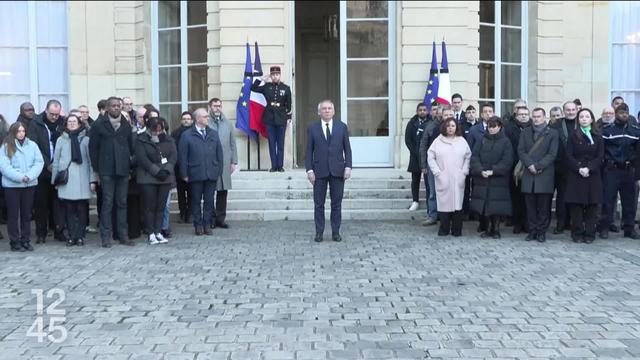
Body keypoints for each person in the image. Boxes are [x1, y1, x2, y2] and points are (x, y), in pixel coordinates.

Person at [89, 96, 135, 248]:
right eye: (113, 106)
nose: (116, 108)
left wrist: (129, 167)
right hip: (106, 169)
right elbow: (93, 149)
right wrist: (97, 171)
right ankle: (106, 236)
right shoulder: (98, 125)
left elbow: (131, 147)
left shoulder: (126, 125)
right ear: (107, 108)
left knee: (122, 202)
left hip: (122, 169)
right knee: (107, 203)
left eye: (118, 106)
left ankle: (123, 235)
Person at [305, 100, 352, 242]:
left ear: (334, 111)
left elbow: (347, 149)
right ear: (319, 112)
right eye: (324, 109)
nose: (327, 111)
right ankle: (319, 232)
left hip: (338, 171)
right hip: (319, 171)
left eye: (329, 108)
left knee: (336, 204)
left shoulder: (342, 127)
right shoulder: (312, 128)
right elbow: (309, 151)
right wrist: (309, 170)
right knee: (319, 204)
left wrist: (348, 167)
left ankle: (335, 232)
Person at [51, 115, 95, 247]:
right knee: (69, 210)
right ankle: (71, 236)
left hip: (83, 179)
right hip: (67, 180)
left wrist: (92, 180)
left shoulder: (86, 140)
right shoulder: (61, 140)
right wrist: (55, 181)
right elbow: (56, 162)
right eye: (69, 122)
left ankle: (80, 236)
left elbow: (91, 162)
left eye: (74, 122)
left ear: (79, 124)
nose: (71, 124)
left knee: (81, 209)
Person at [0, 122, 44, 251]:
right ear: (13, 132)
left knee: (27, 214)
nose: (21, 133)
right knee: (13, 215)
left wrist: (29, 176)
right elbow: (4, 167)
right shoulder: (6, 146)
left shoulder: (32, 145)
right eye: (18, 131)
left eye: (23, 131)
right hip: (12, 186)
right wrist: (20, 177)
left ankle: (25, 240)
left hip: (29, 184)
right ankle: (14, 241)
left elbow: (38, 162)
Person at [179, 108, 223, 235]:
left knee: (209, 201)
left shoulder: (213, 134)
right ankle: (198, 225)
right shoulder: (187, 135)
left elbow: (219, 153)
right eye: (205, 117)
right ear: (198, 119)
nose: (207, 119)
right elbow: (183, 156)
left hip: (211, 173)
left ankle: (207, 224)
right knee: (196, 201)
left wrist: (218, 170)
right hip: (195, 173)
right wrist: (184, 174)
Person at [518, 108, 559, 243]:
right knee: (529, 205)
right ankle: (532, 230)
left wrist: (539, 166)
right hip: (529, 173)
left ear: (544, 117)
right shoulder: (525, 132)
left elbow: (552, 154)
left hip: (545, 173)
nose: (536, 119)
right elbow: (521, 151)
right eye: (534, 116)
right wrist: (530, 165)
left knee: (543, 206)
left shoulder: (552, 133)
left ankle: (541, 231)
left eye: (538, 116)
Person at [599, 103, 640, 239]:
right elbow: (601, 151)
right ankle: (604, 227)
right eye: (621, 112)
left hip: (628, 170)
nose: (624, 115)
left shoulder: (635, 131)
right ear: (616, 114)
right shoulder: (607, 130)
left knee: (629, 201)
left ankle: (629, 228)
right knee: (608, 200)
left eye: (626, 113)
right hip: (611, 169)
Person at [28, 99, 66, 244]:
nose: (55, 117)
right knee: (41, 203)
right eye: (52, 114)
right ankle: (41, 233)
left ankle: (59, 230)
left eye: (57, 114)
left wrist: (57, 164)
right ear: (46, 111)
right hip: (42, 169)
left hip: (59, 169)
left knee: (58, 203)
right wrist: (47, 163)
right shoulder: (35, 123)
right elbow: (34, 145)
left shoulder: (63, 122)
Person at [469, 117, 513, 238]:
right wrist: (480, 170)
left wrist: (494, 171)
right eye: (490, 126)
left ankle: (496, 229)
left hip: (498, 179)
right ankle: (487, 229)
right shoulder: (481, 139)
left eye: (494, 126)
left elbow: (507, 160)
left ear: (499, 127)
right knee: (485, 205)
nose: (492, 129)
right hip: (482, 178)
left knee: (496, 206)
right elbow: (474, 157)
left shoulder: (505, 142)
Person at [135, 117, 177, 245]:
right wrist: (156, 171)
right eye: (155, 130)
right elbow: (142, 159)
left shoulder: (168, 139)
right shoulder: (141, 139)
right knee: (149, 207)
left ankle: (158, 231)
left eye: (160, 130)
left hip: (165, 177)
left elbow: (173, 156)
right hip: (148, 177)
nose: (157, 133)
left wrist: (167, 170)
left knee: (161, 206)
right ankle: (151, 233)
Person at [565, 108, 604, 243]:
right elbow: (568, 155)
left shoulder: (598, 136)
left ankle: (589, 234)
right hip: (576, 174)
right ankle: (577, 233)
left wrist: (589, 168)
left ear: (592, 119)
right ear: (578, 120)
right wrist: (579, 168)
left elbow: (600, 156)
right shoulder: (572, 135)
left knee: (592, 207)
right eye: (581, 117)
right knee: (576, 206)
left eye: (587, 117)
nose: (584, 119)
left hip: (592, 175)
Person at [427, 118, 471, 237]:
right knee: (444, 204)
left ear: (456, 127)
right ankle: (444, 229)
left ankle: (457, 230)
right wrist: (437, 172)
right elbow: (430, 157)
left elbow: (468, 156)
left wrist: (464, 171)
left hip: (458, 177)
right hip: (443, 177)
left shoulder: (462, 141)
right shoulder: (438, 141)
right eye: (448, 126)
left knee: (458, 203)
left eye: (452, 125)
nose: (450, 128)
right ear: (444, 127)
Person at [251, 65, 292, 172]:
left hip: (281, 118)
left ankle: (280, 166)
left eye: (277, 74)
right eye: (273, 75)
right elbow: (253, 88)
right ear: (271, 76)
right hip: (269, 118)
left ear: (280, 75)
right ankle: (274, 166)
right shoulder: (266, 86)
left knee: (281, 143)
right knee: (272, 143)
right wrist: (260, 79)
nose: (275, 77)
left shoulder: (286, 88)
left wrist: (288, 119)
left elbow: (289, 105)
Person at [207, 98, 238, 229]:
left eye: (219, 106)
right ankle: (211, 218)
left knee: (223, 191)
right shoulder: (206, 122)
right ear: (210, 107)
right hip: (211, 162)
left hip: (225, 162)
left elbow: (233, 143)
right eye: (215, 106)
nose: (217, 108)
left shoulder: (227, 123)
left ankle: (221, 218)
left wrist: (234, 161)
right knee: (210, 191)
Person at [549, 100, 578, 235]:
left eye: (573, 110)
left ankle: (574, 223)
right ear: (563, 111)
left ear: (576, 110)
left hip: (578, 168)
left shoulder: (583, 124)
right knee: (561, 197)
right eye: (568, 110)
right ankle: (561, 223)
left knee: (575, 197)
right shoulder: (556, 126)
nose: (571, 112)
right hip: (560, 167)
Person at [419, 103, 450, 225]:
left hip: (448, 164)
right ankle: (432, 215)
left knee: (447, 191)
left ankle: (446, 216)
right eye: (443, 112)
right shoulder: (430, 126)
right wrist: (423, 165)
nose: (445, 115)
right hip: (432, 164)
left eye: (448, 113)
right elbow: (423, 145)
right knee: (432, 192)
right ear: (438, 113)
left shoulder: (454, 127)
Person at [505, 106, 532, 234]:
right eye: (521, 114)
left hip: (530, 167)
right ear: (516, 116)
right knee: (516, 198)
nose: (523, 116)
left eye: (526, 114)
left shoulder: (533, 128)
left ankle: (527, 223)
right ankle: (517, 223)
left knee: (528, 197)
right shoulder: (510, 129)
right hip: (514, 167)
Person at [404, 102, 429, 211]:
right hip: (415, 156)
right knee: (415, 180)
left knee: (428, 181)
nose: (422, 112)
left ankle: (429, 201)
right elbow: (407, 140)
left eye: (424, 110)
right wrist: (415, 152)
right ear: (417, 111)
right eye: (420, 110)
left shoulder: (431, 122)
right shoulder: (412, 123)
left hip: (428, 157)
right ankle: (415, 201)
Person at [171, 111, 193, 223]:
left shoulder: (195, 132)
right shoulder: (175, 133)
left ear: (192, 120)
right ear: (181, 120)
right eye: (184, 118)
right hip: (179, 167)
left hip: (192, 168)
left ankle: (190, 214)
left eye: (188, 119)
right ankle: (182, 213)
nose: (186, 120)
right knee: (181, 193)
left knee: (192, 193)